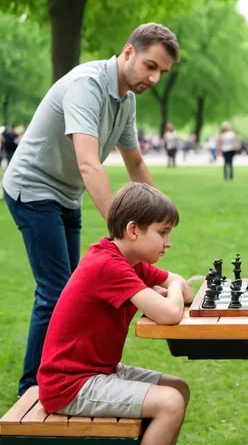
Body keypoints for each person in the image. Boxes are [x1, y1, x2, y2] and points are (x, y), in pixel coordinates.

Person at [3, 22, 180, 396]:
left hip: (67, 194)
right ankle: (32, 389)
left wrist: (160, 216)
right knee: (53, 291)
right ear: (129, 51)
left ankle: (67, 371)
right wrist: (124, 232)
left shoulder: (126, 100)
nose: (154, 78)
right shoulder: (87, 85)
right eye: (150, 66)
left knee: (69, 290)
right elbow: (89, 164)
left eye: (161, 72)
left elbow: (135, 163)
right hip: (32, 188)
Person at [37, 182, 193, 445]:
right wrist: (173, 288)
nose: (169, 243)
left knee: (178, 388)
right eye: (162, 233)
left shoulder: (131, 263)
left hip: (99, 371)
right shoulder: (108, 265)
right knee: (170, 402)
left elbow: (186, 293)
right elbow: (170, 312)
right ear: (133, 230)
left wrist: (173, 288)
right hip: (69, 385)